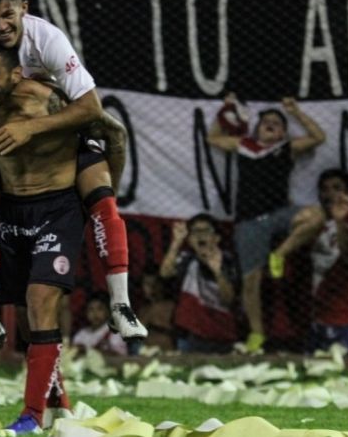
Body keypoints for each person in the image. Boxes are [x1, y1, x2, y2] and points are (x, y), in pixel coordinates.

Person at [0, 0, 146, 358]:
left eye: (8, 15)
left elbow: (90, 108)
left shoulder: (48, 40)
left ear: (24, 9)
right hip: (10, 164)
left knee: (107, 172)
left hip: (61, 140)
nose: (0, 25)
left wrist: (29, 128)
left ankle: (120, 304)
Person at [0, 38, 81, 433]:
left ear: (16, 74)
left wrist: (101, 204)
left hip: (58, 209)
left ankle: (31, 416)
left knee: (41, 299)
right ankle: (58, 401)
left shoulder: (52, 101)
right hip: (13, 213)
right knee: (29, 318)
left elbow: (100, 129)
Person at [207, 92, 326, 352]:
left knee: (316, 216)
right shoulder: (243, 145)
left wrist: (295, 112)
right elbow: (212, 137)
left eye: (278, 122)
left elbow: (319, 137)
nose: (271, 123)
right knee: (252, 282)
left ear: (283, 132)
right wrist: (226, 108)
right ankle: (257, 334)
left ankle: (280, 255)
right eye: (266, 121)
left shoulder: (286, 148)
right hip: (249, 222)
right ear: (257, 128)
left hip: (279, 214)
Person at [303, 169, 348, 354]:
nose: (330, 194)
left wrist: (341, 223)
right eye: (325, 189)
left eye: (337, 188)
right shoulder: (313, 222)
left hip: (346, 316)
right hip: (315, 314)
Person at [160, 214, 239, 354]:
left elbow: (228, 300)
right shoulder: (187, 259)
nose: (200, 236)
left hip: (221, 334)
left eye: (206, 231)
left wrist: (218, 272)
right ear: (190, 240)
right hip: (189, 334)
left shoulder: (228, 261)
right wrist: (176, 242)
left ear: (216, 238)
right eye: (196, 231)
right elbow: (165, 273)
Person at [137, 265, 175, 352]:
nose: (151, 288)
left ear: (161, 285)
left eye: (155, 284)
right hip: (146, 353)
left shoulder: (170, 307)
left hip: (167, 352)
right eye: (147, 284)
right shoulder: (143, 309)